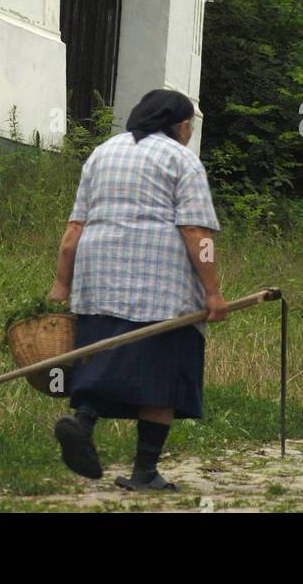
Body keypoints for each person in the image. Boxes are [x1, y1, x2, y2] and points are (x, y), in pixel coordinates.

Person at [49, 88, 227, 491]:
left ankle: (82, 421)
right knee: (162, 378)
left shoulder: (102, 154)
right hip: (160, 288)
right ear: (182, 126)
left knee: (104, 359)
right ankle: (145, 471)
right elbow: (195, 232)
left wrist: (61, 285)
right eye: (191, 127)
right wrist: (213, 292)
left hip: (98, 283)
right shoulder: (181, 159)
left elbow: (74, 229)